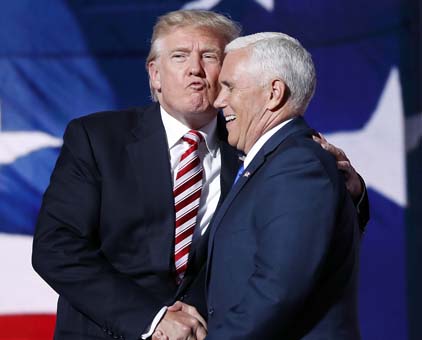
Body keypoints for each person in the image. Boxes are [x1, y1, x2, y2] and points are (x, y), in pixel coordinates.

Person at [32, 10, 367, 340]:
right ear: (155, 75)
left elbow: (297, 236)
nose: (195, 69)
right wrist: (152, 319)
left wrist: (351, 194)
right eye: (179, 56)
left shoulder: (259, 149)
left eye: (209, 56)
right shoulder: (97, 138)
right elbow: (55, 247)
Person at [205, 32, 362, 340]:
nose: (218, 100)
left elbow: (277, 288)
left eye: (230, 87)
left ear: (274, 93)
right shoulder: (272, 163)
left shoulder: (296, 166)